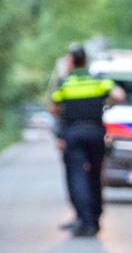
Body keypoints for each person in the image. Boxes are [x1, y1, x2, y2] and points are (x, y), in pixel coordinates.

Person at [48, 47, 121, 237]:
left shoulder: (65, 83)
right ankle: (95, 219)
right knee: (95, 175)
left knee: (77, 176)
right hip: (96, 133)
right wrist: (105, 106)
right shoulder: (97, 80)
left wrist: (65, 113)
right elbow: (119, 95)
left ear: (72, 61)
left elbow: (53, 107)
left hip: (74, 134)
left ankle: (85, 220)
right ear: (86, 61)